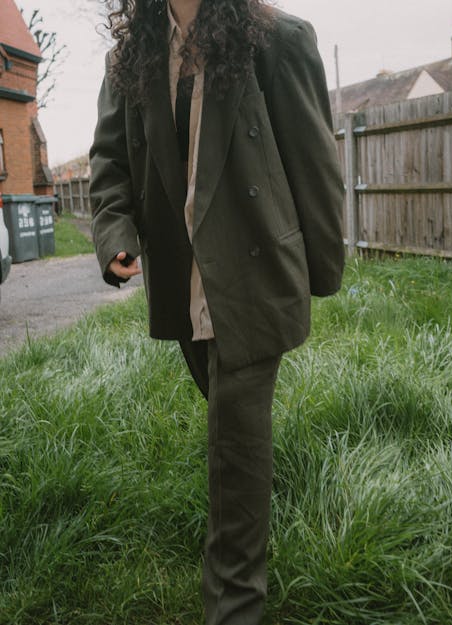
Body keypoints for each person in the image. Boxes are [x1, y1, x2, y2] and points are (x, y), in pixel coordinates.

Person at [89, 0, 345, 623]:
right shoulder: (132, 58)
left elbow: (314, 162)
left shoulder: (278, 40)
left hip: (256, 275)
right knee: (232, 430)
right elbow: (110, 162)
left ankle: (234, 603)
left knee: (233, 447)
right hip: (185, 283)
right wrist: (115, 232)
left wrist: (320, 267)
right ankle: (254, 511)